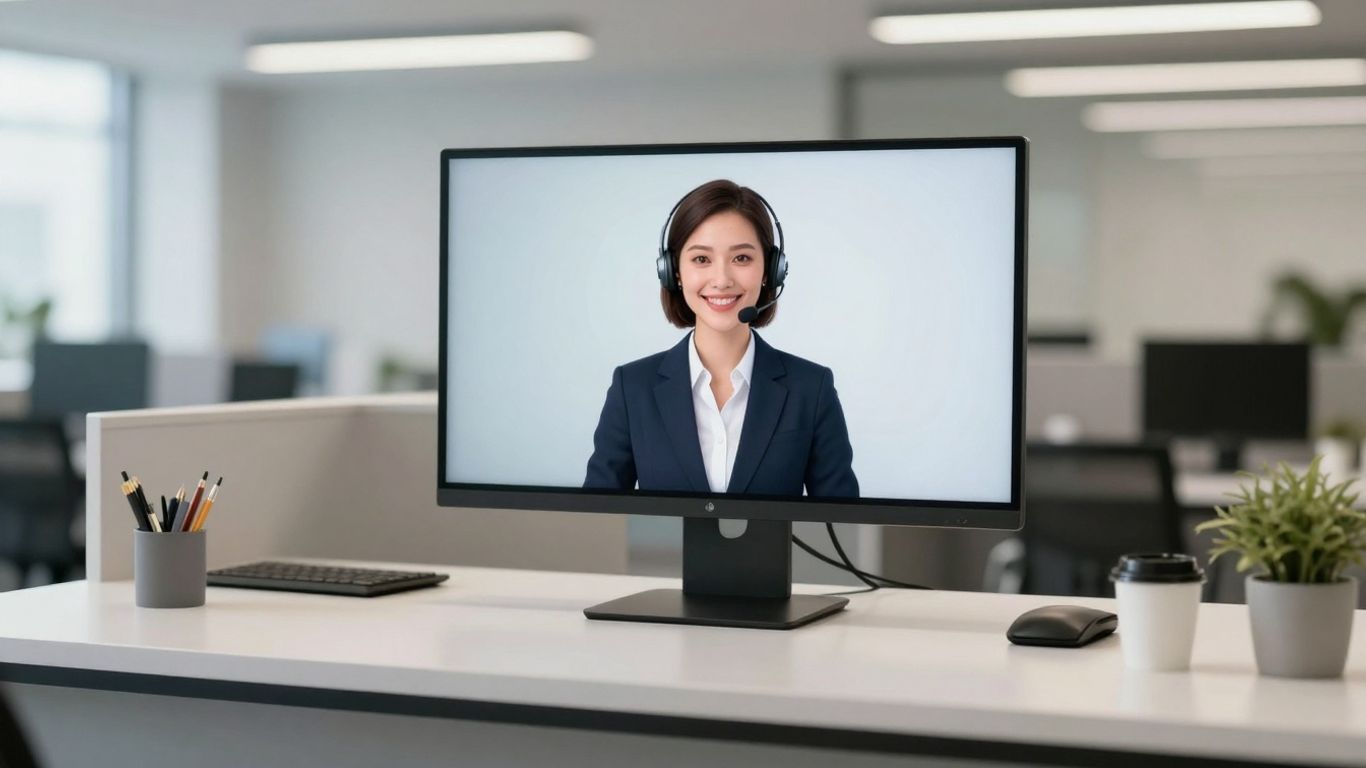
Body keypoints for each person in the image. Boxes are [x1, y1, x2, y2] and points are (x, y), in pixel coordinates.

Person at [584, 179, 858, 498]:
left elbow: (842, 522)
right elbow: (597, 515)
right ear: (673, 271)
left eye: (741, 258)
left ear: (771, 270)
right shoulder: (632, 388)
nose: (722, 280)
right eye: (701, 259)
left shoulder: (812, 388)